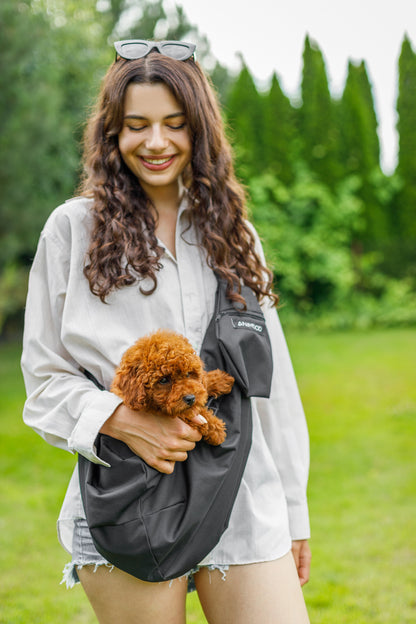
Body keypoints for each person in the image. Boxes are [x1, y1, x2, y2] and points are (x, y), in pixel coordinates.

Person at [21, 39, 311, 624]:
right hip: (130, 497)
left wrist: (295, 510)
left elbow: (267, 384)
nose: (156, 142)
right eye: (137, 125)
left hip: (241, 494)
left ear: (199, 131)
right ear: (113, 133)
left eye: (174, 124)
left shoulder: (234, 235)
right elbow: (44, 380)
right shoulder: (72, 231)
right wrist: (123, 420)